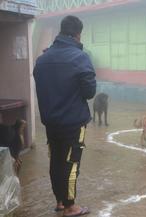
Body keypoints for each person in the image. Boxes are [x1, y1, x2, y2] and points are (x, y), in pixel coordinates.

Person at [33, 15, 96, 217]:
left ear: (60, 32)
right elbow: (89, 92)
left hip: (51, 122)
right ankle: (70, 207)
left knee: (56, 160)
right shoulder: (80, 57)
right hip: (73, 122)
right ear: (78, 34)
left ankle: (60, 201)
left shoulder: (42, 59)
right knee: (71, 163)